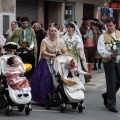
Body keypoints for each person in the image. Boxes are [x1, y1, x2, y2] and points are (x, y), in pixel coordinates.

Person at [30, 25, 67, 105]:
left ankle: (60, 96)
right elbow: (43, 51)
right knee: (46, 79)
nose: (53, 33)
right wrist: (50, 54)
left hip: (58, 62)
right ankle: (46, 97)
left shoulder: (60, 40)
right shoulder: (45, 41)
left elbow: (64, 51)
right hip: (46, 61)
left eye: (55, 31)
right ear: (48, 32)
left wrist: (66, 56)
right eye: (52, 31)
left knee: (61, 78)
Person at [97, 17, 120, 113]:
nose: (109, 27)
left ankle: (107, 95)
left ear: (115, 24)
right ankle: (112, 104)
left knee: (118, 82)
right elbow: (101, 50)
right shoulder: (103, 36)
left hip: (119, 60)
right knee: (111, 82)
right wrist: (110, 54)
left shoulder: (119, 34)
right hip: (109, 61)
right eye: (107, 26)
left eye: (110, 25)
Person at [80, 15, 100, 80]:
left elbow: (101, 26)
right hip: (85, 46)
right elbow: (79, 36)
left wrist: (95, 22)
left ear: (91, 21)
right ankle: (86, 73)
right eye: (86, 20)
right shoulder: (82, 28)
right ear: (85, 21)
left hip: (93, 46)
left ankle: (89, 73)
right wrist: (83, 36)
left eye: (89, 20)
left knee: (91, 61)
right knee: (85, 60)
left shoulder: (95, 27)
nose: (88, 21)